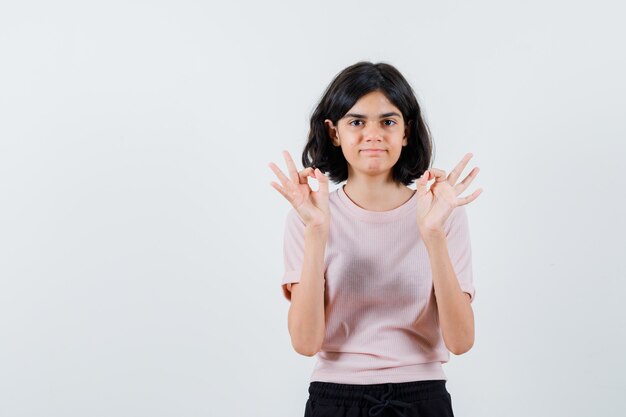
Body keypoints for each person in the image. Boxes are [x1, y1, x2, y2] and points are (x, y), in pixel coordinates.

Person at [268, 61, 482, 417]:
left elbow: (461, 341)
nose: (373, 134)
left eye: (387, 121)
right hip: (334, 399)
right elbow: (305, 343)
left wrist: (432, 235)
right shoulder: (306, 217)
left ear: (406, 131)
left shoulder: (444, 214)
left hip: (422, 398)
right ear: (334, 132)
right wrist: (318, 231)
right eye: (356, 122)